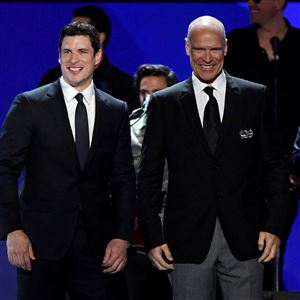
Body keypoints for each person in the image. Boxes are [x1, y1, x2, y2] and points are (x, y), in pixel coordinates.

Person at [137, 15, 290, 300]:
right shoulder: (164, 103)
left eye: (215, 49)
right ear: (186, 48)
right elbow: (149, 175)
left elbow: (276, 167)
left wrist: (274, 226)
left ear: (226, 48)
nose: (207, 58)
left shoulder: (254, 97)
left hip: (246, 238)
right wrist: (153, 237)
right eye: (199, 49)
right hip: (185, 239)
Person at [0, 22, 136, 300]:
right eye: (67, 52)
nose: (74, 60)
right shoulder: (29, 105)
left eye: (82, 51)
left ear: (97, 57)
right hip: (38, 245)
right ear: (59, 56)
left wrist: (122, 236)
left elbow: (123, 178)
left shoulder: (115, 109)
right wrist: (12, 230)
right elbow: (4, 168)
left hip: (97, 247)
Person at [224, 0, 300, 290]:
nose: (251, 2)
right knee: (250, 254)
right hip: (244, 172)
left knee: (272, 250)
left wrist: (295, 170)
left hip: (293, 173)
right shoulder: (237, 44)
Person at [125, 64, 177, 300]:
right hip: (134, 238)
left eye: (157, 93)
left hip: (177, 233)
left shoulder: (187, 128)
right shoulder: (126, 127)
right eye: (144, 93)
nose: (149, 100)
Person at [224, 0, 300, 157]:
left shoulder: (298, 43)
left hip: (294, 154)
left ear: (278, 3)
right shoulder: (234, 43)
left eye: (257, 0)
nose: (251, 3)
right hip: (243, 152)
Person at [39, 5, 139, 113]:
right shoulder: (52, 78)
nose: (72, 37)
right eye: (70, 31)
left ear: (100, 38)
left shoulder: (123, 84)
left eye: (80, 31)